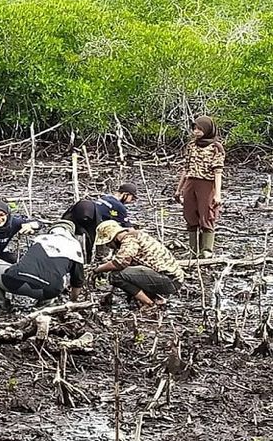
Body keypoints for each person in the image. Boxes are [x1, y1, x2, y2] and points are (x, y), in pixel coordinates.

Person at [0, 220, 84, 308]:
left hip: (15, 282)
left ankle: (2, 304)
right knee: (59, 277)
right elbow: (77, 281)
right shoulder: (75, 248)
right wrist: (73, 301)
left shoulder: (41, 239)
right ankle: (44, 305)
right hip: (48, 291)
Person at [92, 220, 184, 308]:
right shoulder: (134, 236)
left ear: (113, 237)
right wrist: (110, 293)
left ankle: (149, 304)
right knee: (124, 274)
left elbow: (119, 264)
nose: (108, 246)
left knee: (115, 276)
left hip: (169, 279)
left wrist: (97, 269)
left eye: (108, 243)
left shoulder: (130, 240)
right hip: (169, 278)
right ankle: (155, 299)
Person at [174, 115, 225, 258]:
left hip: (207, 183)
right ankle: (193, 249)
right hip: (191, 182)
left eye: (199, 129)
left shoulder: (216, 147)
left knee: (207, 214)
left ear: (207, 130)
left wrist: (217, 194)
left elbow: (218, 171)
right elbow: (186, 167)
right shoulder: (191, 145)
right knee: (190, 213)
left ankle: (206, 250)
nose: (196, 132)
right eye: (195, 128)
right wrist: (179, 189)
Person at [61, 183, 138, 263]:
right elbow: (129, 228)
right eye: (132, 198)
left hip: (78, 213)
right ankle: (95, 260)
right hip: (91, 219)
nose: (131, 201)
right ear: (126, 194)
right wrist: (140, 236)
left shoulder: (106, 197)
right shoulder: (119, 207)